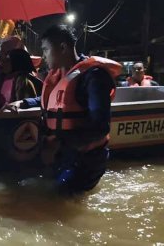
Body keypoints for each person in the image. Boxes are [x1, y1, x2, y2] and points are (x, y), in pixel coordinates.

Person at [7, 25, 122, 193]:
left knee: (60, 202)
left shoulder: (94, 77)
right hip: (62, 154)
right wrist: (24, 103)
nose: (44, 56)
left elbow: (100, 127)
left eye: (46, 50)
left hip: (84, 158)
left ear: (62, 47)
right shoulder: (59, 74)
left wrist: (60, 144)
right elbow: (54, 101)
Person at [0, 36, 42, 109]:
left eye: (7, 55)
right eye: (1, 54)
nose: (2, 59)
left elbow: (26, 112)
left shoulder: (23, 81)